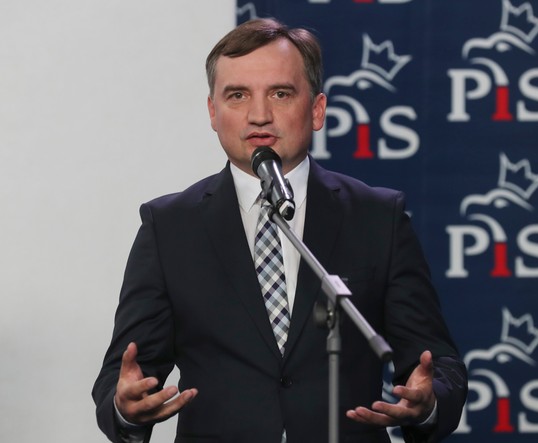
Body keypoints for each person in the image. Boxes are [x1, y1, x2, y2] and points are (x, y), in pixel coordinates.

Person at [92, 18, 467, 443]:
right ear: (213, 112)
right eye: (237, 95)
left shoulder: (378, 217)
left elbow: (439, 365)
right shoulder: (169, 227)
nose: (259, 115)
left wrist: (428, 403)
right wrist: (126, 408)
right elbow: (121, 376)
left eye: (280, 93)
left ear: (317, 109)